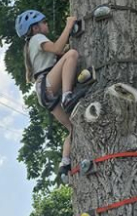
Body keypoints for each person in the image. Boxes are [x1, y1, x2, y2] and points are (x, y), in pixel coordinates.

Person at [16, 10, 87, 183]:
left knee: (74, 129)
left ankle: (65, 164)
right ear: (35, 28)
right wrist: (70, 24)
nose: (47, 24)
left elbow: (57, 53)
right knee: (72, 55)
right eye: (44, 22)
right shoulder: (37, 38)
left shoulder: (34, 43)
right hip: (47, 84)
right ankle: (67, 96)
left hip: (44, 91)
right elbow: (57, 48)